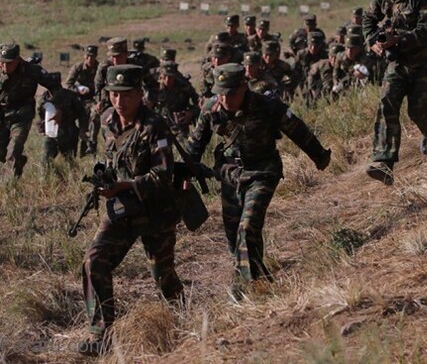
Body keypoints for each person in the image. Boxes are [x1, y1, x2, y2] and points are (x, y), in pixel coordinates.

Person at [187, 64, 330, 298]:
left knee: (247, 226)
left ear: (245, 87)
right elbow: (195, 145)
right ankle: (260, 277)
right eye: (221, 92)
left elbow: (297, 130)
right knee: (235, 236)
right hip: (230, 175)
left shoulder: (267, 106)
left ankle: (247, 290)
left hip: (263, 172)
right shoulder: (211, 108)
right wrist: (185, 175)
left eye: (231, 93)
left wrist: (319, 156)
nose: (225, 99)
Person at [80, 64, 183, 355]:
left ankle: (184, 322)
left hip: (156, 213)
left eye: (126, 95)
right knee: (93, 262)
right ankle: (101, 335)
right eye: (114, 94)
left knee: (164, 279)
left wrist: (123, 186)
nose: (119, 101)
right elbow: (113, 160)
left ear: (140, 94)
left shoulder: (154, 125)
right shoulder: (107, 120)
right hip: (122, 209)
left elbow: (163, 175)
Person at [362, 0, 427, 184]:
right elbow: (368, 19)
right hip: (398, 62)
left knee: (417, 111)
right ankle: (384, 162)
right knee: (387, 102)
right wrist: (374, 43)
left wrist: (398, 39)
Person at [0, 42, 60, 179]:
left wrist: (56, 107)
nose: (4, 66)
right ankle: (19, 162)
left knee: (13, 149)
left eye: (8, 63)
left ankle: (9, 187)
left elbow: (55, 86)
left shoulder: (32, 70)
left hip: (22, 115)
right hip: (2, 115)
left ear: (17, 60)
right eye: (2, 62)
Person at [35, 72, 87, 169]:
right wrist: (42, 127)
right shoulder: (44, 99)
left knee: (69, 162)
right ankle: (45, 182)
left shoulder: (71, 96)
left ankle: (73, 181)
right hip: (52, 133)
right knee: (45, 161)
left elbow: (82, 114)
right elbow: (41, 116)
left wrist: (82, 130)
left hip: (69, 133)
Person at [68, 44, 100, 155]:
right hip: (78, 100)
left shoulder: (99, 68)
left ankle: (91, 147)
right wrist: (78, 90)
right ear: (84, 56)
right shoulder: (78, 68)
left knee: (95, 119)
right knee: (77, 126)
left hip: (93, 100)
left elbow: (102, 87)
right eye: (88, 56)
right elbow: (68, 85)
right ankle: (74, 151)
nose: (90, 59)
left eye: (92, 56)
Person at [156, 61, 199, 138]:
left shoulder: (184, 86)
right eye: (165, 76)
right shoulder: (155, 88)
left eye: (171, 77)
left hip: (180, 124)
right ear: (161, 76)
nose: (168, 80)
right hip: (159, 124)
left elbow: (199, 103)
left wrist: (190, 113)